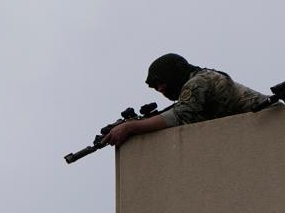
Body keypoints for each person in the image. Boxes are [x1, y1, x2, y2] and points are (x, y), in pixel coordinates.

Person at [101, 54, 270, 147]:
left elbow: (180, 116)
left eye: (161, 82)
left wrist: (130, 126)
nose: (160, 89)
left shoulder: (198, 82)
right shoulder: (200, 80)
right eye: (156, 87)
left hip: (271, 122)